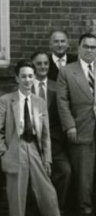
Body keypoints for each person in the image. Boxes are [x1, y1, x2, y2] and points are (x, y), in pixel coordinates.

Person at [56, 33, 96, 216]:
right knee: (84, 177)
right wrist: (69, 125)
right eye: (86, 46)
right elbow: (62, 101)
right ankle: (85, 210)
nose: (90, 50)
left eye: (93, 47)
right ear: (79, 48)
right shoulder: (67, 71)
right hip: (79, 128)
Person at [0, 60, 60, 216]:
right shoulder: (6, 100)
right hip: (15, 146)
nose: (27, 80)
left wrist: (47, 158)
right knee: (16, 196)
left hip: (34, 146)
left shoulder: (40, 102)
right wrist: (4, 152)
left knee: (48, 193)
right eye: (24, 76)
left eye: (30, 76)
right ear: (17, 78)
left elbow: (45, 134)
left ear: (34, 78)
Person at [31, 51, 72, 214]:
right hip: (31, 144)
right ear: (32, 65)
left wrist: (52, 141)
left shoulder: (57, 87)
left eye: (46, 63)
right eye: (39, 64)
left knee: (65, 171)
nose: (42, 67)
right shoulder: (25, 86)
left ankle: (56, 208)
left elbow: (63, 117)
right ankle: (35, 210)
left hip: (54, 143)